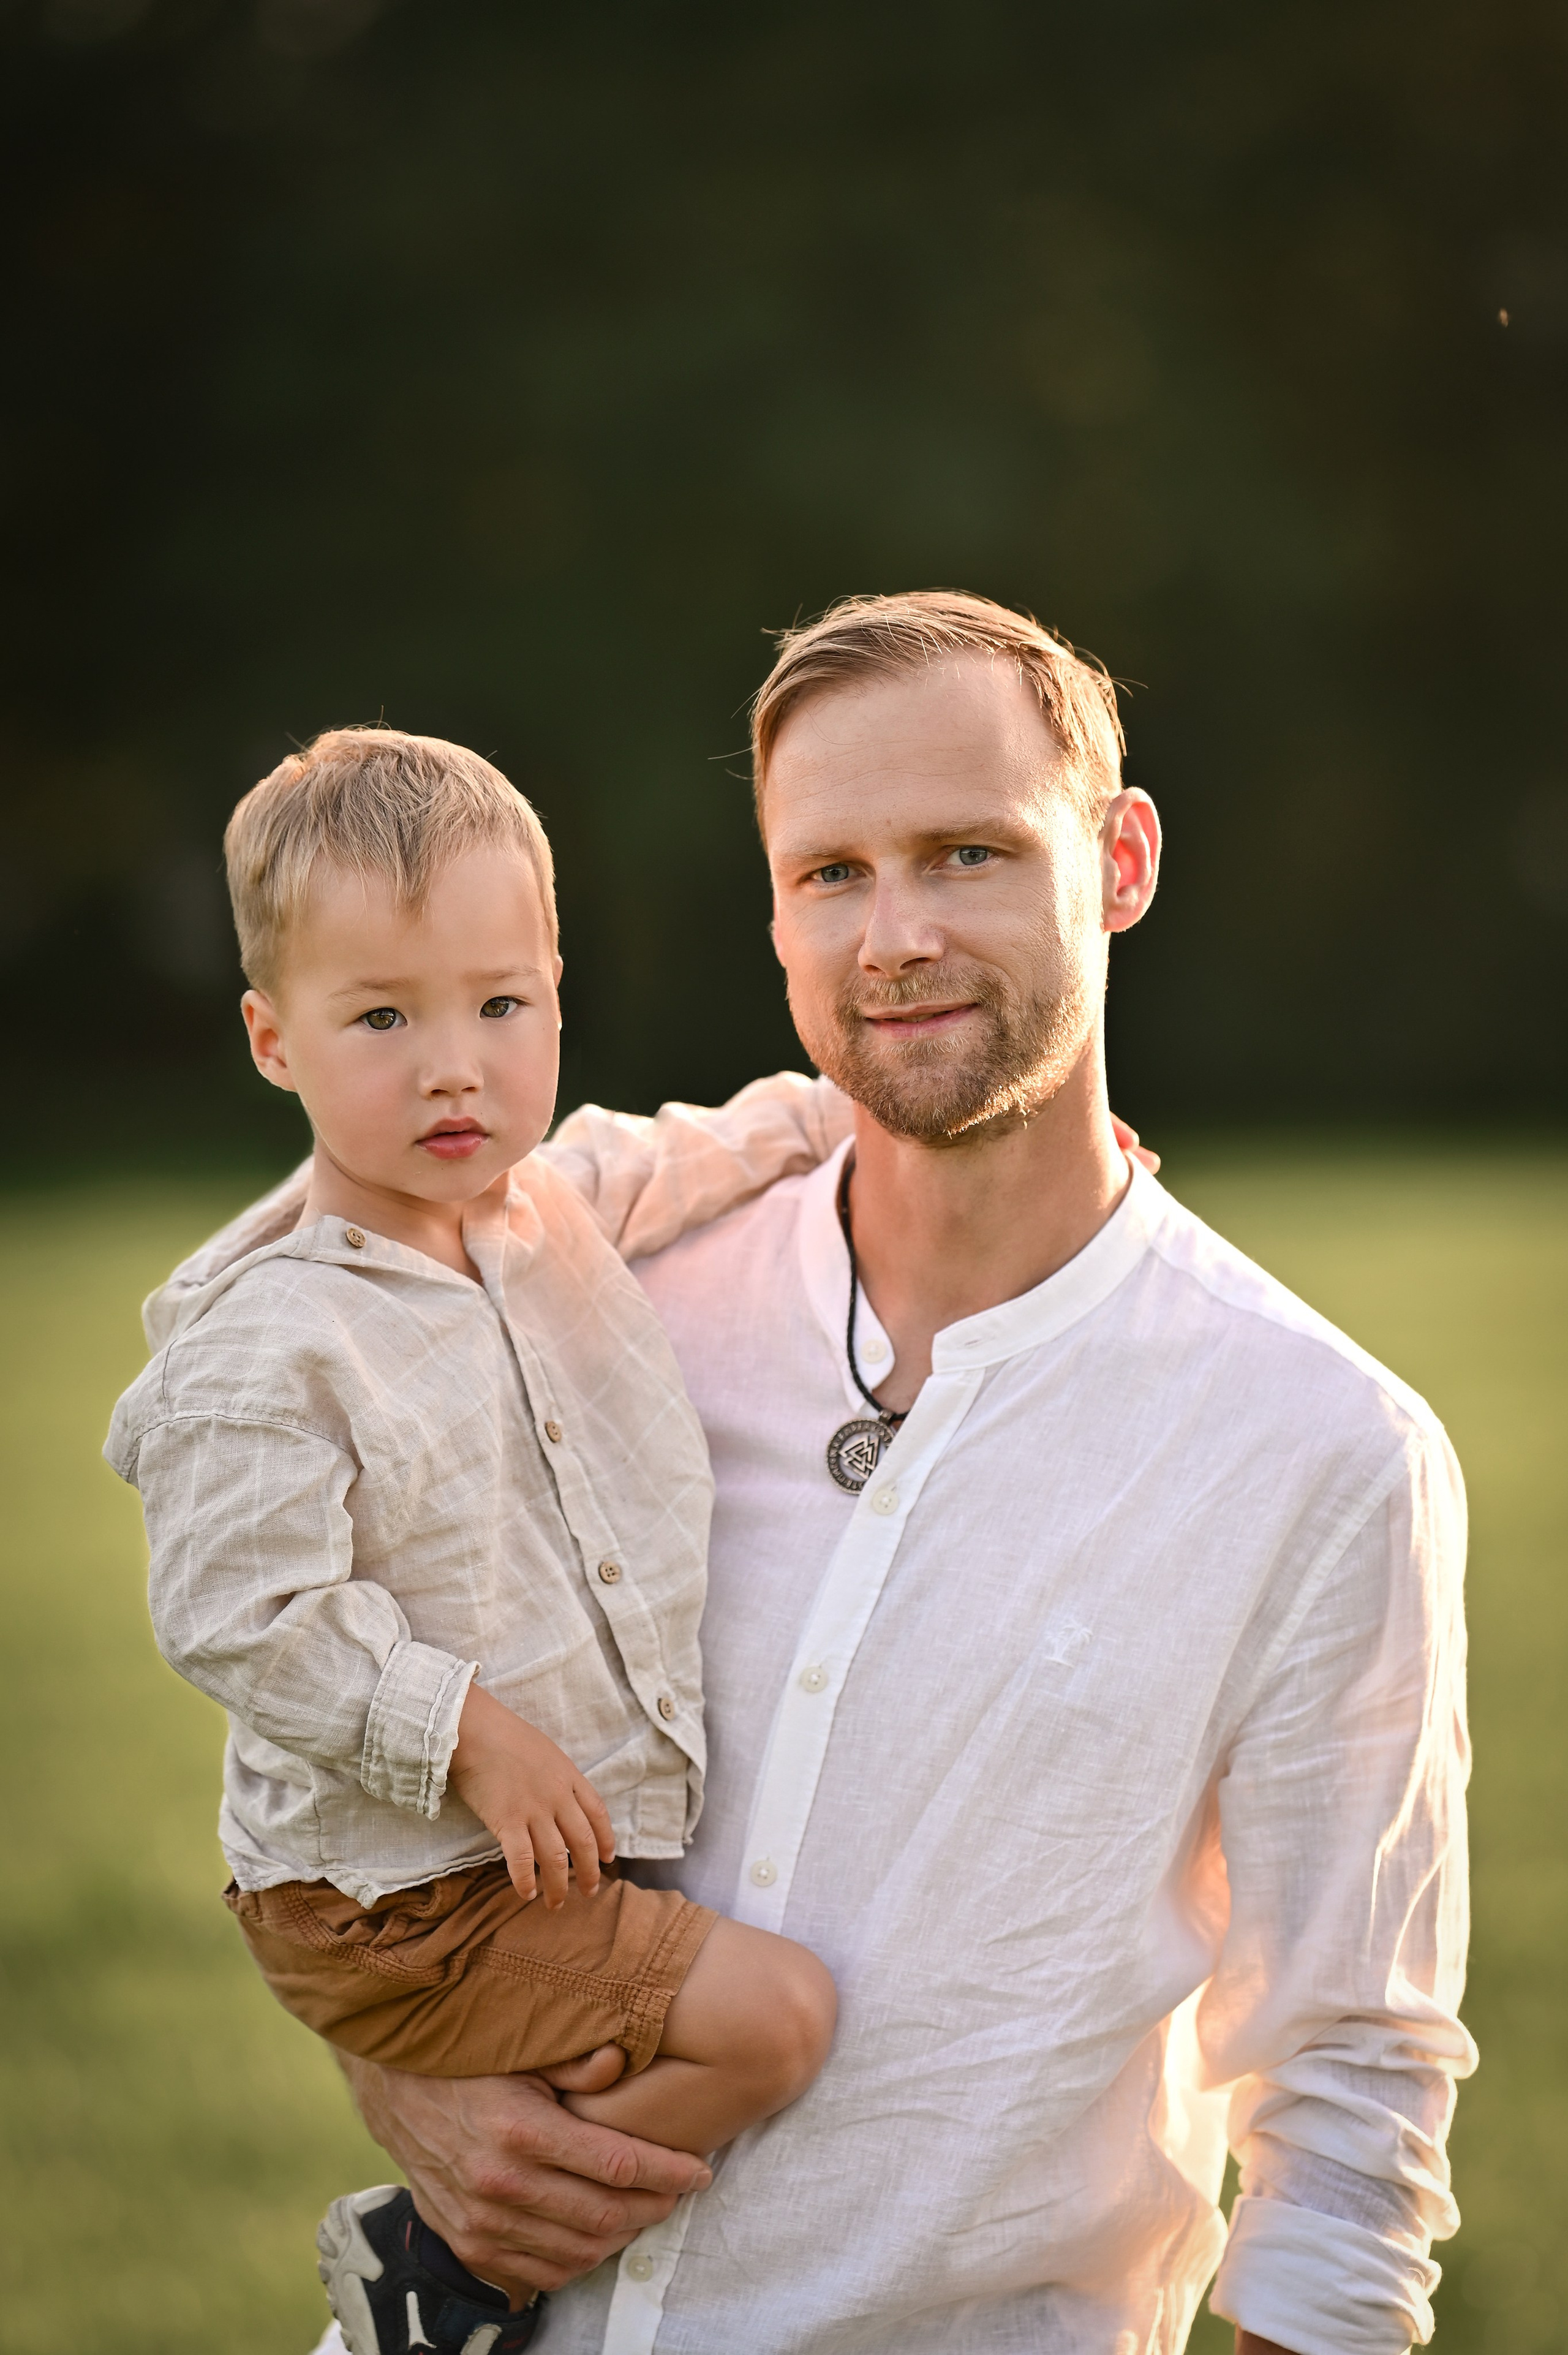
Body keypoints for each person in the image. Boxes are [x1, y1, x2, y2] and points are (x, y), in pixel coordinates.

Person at [316, 592, 1474, 2355]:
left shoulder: (1320, 1447)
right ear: (774, 905)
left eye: (967, 853)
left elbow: (1349, 2104)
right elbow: (321, 1720)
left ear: (1123, 860)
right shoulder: (601, 1305)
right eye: (833, 871)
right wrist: (400, 2074)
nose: (898, 933)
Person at [105, 728, 848, 2355]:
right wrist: (468, 1735)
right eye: (383, 1016)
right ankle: (447, 2272)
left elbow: (705, 1143)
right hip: (394, 1891)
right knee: (777, 2018)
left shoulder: (552, 1202)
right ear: (271, 1038)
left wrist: (883, 1123)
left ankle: (515, 2141)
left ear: (557, 996)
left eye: (499, 1005)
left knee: (668, 2021)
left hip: (478, 1873)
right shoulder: (271, 1341)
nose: (456, 1064)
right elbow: (242, 1609)